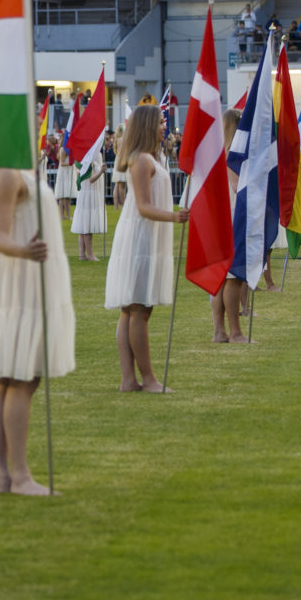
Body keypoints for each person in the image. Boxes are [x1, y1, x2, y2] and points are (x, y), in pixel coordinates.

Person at [0, 165, 75, 495]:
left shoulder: (24, 170)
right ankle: (17, 475)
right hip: (20, 283)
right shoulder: (7, 173)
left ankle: (2, 475)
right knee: (19, 377)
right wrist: (25, 251)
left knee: (14, 378)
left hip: (34, 279)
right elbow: (0, 237)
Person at [104, 105, 190, 393]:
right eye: (161, 122)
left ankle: (129, 380)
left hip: (144, 237)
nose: (165, 127)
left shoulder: (149, 157)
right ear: (148, 125)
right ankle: (147, 378)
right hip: (140, 239)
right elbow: (143, 206)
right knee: (138, 309)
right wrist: (174, 217)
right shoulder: (141, 160)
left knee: (132, 310)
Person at [211, 110, 248, 343]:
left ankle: (219, 330)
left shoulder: (213, 155)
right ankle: (235, 332)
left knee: (221, 278)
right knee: (234, 277)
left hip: (217, 221)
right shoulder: (232, 157)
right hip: (233, 218)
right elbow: (238, 187)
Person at [70, 152, 106, 260]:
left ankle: (82, 254)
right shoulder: (87, 159)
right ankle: (90, 254)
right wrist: (101, 171)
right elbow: (91, 179)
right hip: (88, 194)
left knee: (83, 227)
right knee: (87, 227)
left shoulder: (83, 157)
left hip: (86, 193)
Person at [53, 141, 75, 219]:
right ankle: (66, 215)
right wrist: (70, 163)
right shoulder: (63, 149)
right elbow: (62, 163)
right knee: (64, 196)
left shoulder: (68, 149)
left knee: (65, 196)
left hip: (67, 173)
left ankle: (63, 215)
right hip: (64, 174)